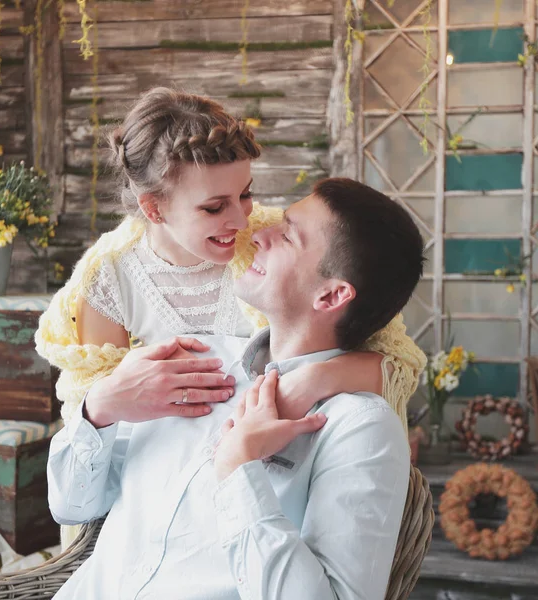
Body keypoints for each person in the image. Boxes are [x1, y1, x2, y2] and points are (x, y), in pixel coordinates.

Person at [47, 178, 424, 599]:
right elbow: (71, 506)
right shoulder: (188, 360)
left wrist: (238, 468)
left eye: (286, 236)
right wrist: (99, 409)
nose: (255, 234)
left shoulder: (357, 428)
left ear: (332, 294)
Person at [35, 88, 424, 432]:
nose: (241, 222)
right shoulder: (108, 280)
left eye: (245, 194)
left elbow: (400, 368)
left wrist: (314, 379)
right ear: (153, 209)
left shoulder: (277, 241)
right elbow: (90, 425)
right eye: (214, 207)